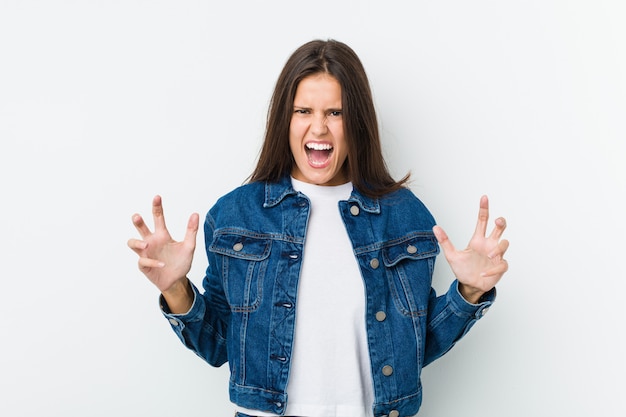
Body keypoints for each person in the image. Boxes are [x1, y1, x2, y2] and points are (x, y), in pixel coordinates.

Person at [127, 39, 509, 417]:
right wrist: (175, 288)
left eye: (335, 112)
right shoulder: (236, 216)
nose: (319, 128)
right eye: (303, 110)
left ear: (356, 122)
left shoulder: (404, 216)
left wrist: (469, 292)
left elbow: (412, 347)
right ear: (285, 119)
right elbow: (219, 345)